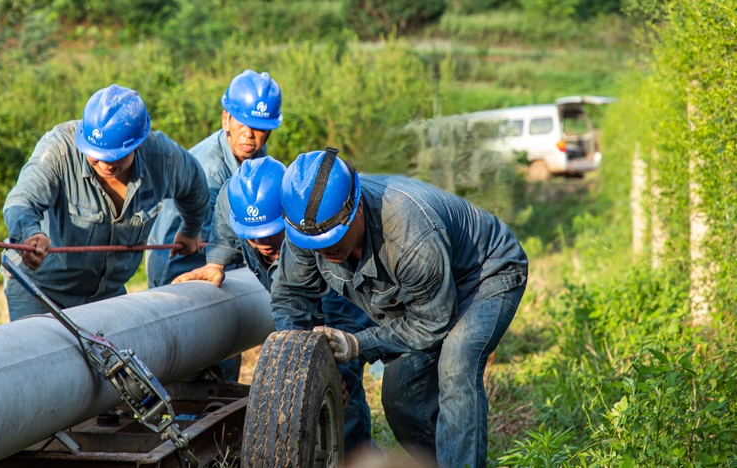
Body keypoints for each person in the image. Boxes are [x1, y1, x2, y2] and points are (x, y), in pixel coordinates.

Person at [272, 147, 529, 468]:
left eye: (332, 239)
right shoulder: (306, 227)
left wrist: (358, 344)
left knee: (456, 364)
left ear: (357, 209)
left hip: (485, 273)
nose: (324, 250)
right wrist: (303, 370)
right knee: (400, 400)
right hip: (421, 296)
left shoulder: (408, 233)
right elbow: (292, 295)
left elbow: (432, 324)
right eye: (315, 244)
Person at [173, 156, 378, 456]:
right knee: (298, 393)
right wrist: (217, 260)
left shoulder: (319, 239)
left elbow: (347, 315)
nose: (264, 243)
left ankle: (358, 457)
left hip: (334, 303)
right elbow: (223, 212)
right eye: (254, 237)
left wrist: (339, 374)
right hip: (293, 302)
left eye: (272, 231)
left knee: (343, 399)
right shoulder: (238, 205)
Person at [2, 84, 210, 321]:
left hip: (106, 295)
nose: (104, 164)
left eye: (115, 156)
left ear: (138, 143)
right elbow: (21, 201)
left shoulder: (164, 158)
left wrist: (191, 229)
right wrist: (29, 233)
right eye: (95, 154)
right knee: (38, 354)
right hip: (38, 289)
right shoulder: (58, 151)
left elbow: (195, 184)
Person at [146, 69, 282, 288]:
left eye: (259, 128)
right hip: (182, 264)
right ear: (225, 119)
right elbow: (209, 240)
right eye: (242, 123)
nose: (249, 134)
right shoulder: (209, 171)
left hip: (228, 263)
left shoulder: (256, 155)